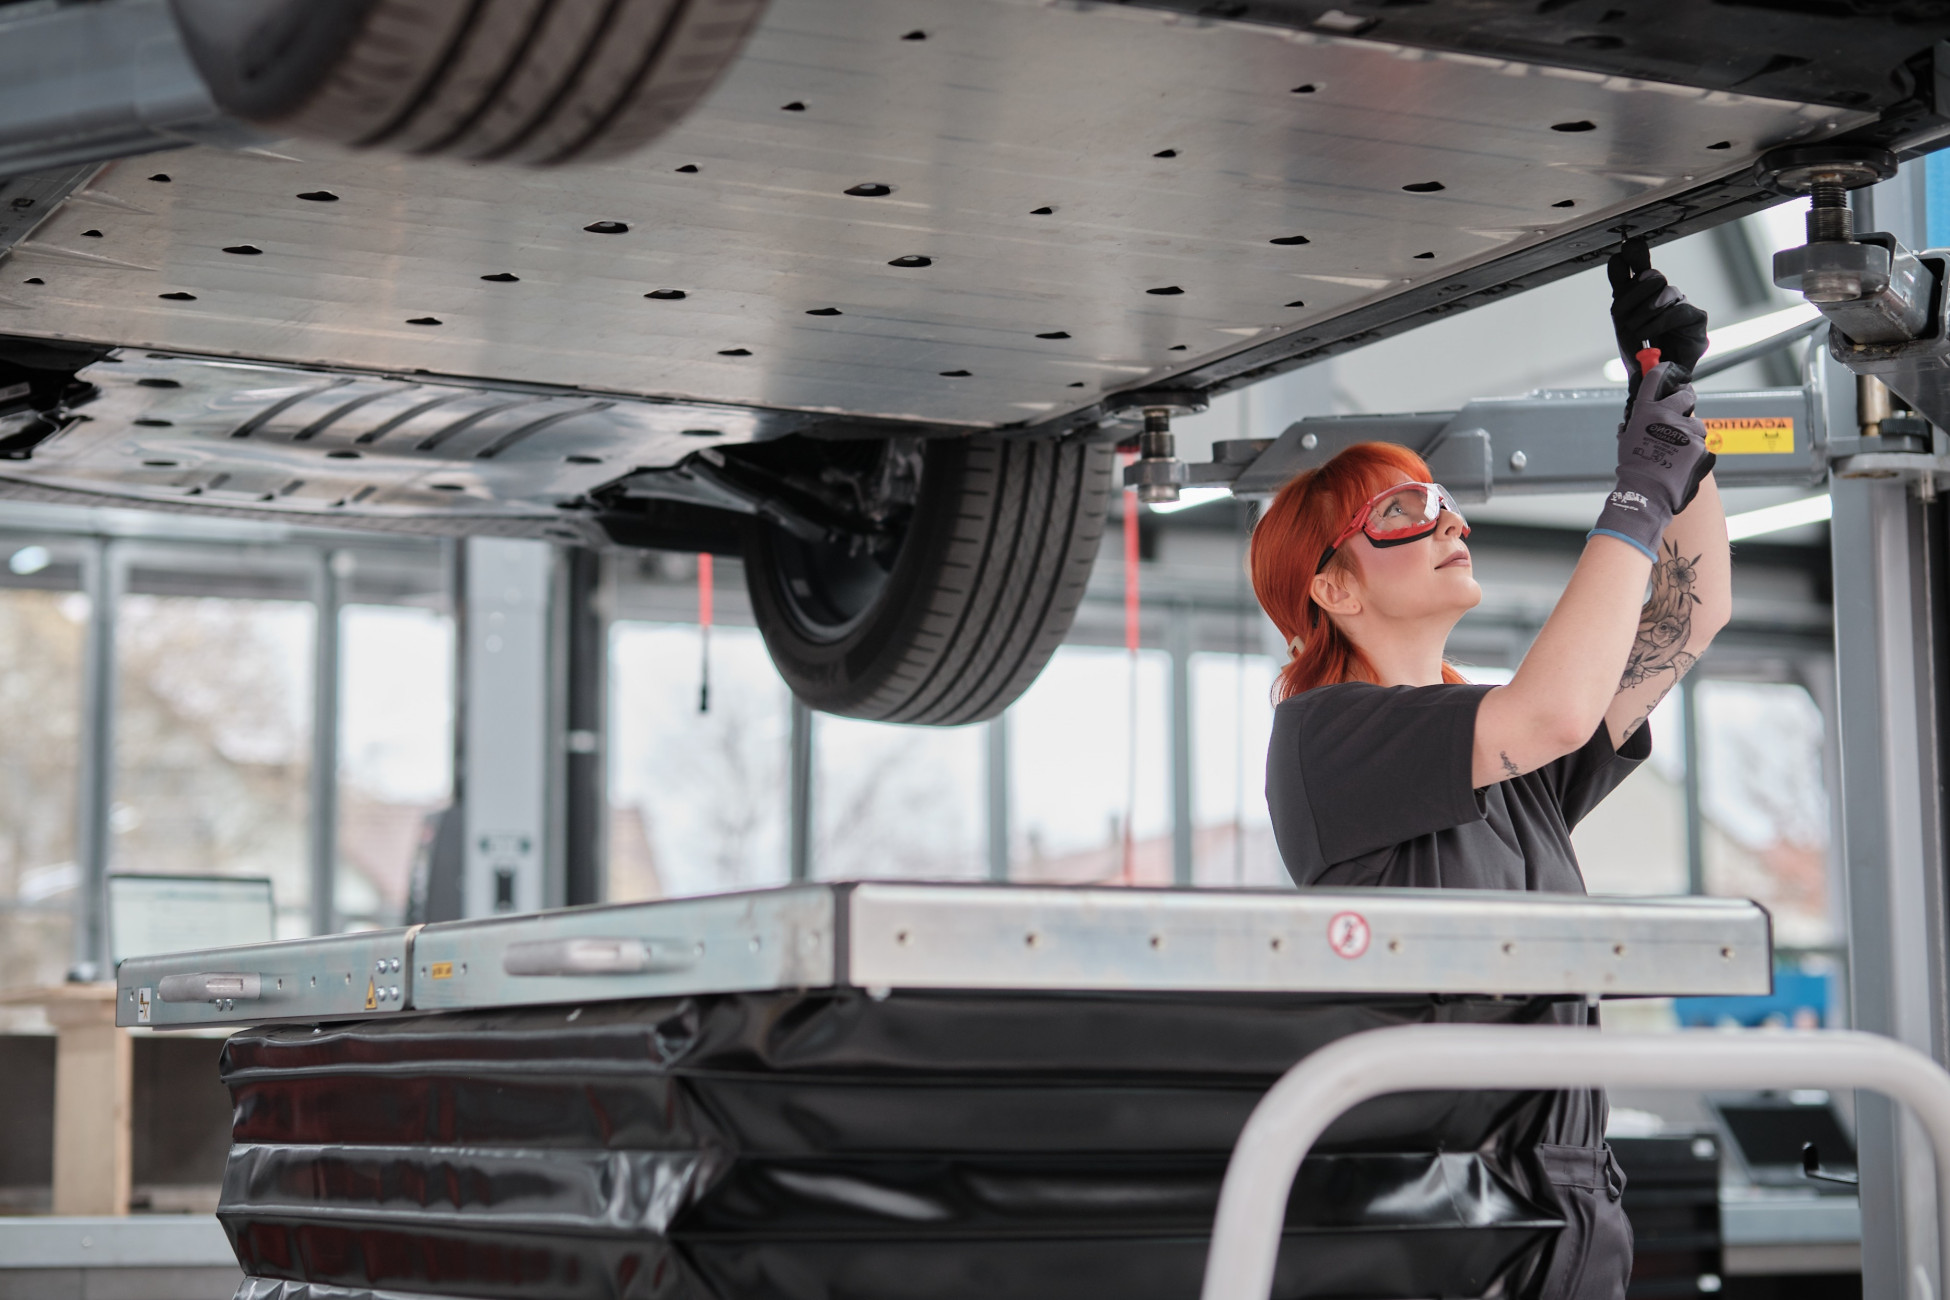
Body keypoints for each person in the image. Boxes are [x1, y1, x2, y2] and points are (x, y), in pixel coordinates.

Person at [1249, 238, 1731, 1300]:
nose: (1448, 521)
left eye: (1444, 502)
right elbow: (1553, 708)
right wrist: (1637, 488)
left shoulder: (1508, 761)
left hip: (1566, 1201)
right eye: (1403, 512)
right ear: (1333, 590)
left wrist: (1671, 418)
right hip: (1445, 1224)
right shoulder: (1325, 739)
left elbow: (1687, 617)